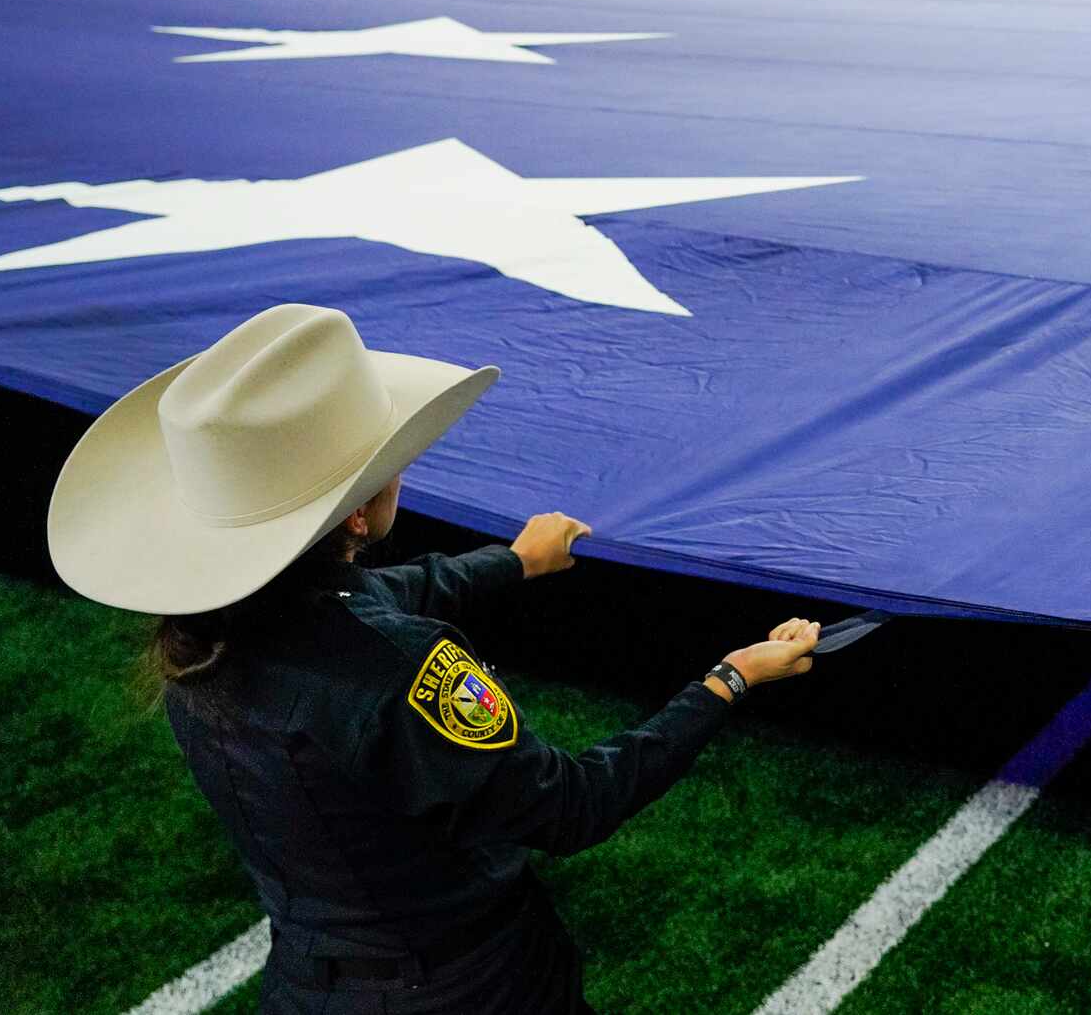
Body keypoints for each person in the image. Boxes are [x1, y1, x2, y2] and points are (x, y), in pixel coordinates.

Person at [46, 303, 822, 1013]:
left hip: (311, 985)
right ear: (357, 511)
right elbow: (573, 806)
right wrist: (730, 680)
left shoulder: (207, 627)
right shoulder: (398, 670)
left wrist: (513, 561)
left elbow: (382, 592)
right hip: (468, 991)